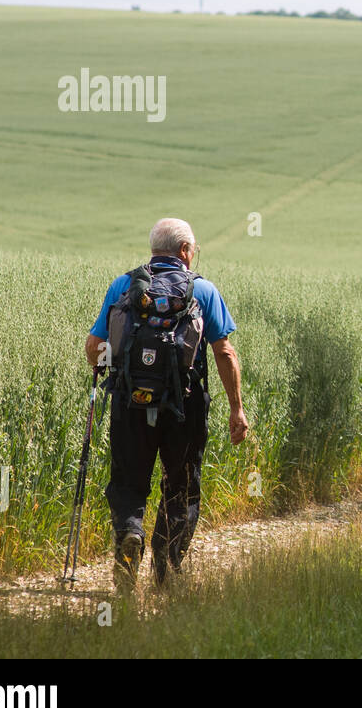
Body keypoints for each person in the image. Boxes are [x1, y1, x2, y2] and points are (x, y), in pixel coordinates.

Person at [84, 218, 249, 593]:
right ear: (186, 252)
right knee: (181, 486)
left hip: (130, 405)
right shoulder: (202, 290)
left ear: (154, 249)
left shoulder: (123, 286)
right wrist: (236, 409)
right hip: (184, 409)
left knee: (128, 482)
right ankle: (167, 565)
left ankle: (130, 535)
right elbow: (224, 352)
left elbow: (94, 349)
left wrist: (123, 369)